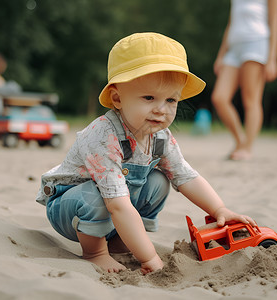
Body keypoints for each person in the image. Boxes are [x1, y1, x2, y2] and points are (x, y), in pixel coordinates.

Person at [36, 32, 257, 274]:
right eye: (149, 97)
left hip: (114, 209)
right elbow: (117, 205)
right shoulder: (102, 136)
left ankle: (120, 244)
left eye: (171, 100)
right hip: (70, 208)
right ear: (118, 98)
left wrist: (219, 210)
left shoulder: (159, 138)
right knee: (98, 195)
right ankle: (95, 252)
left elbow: (186, 176)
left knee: (160, 181)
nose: (161, 110)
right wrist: (150, 257)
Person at [211, 0, 277, 160]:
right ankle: (241, 141)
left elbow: (275, 21)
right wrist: (221, 55)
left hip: (256, 43)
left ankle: (247, 148)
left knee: (250, 100)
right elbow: (231, 23)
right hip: (234, 47)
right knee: (219, 97)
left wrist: (272, 58)